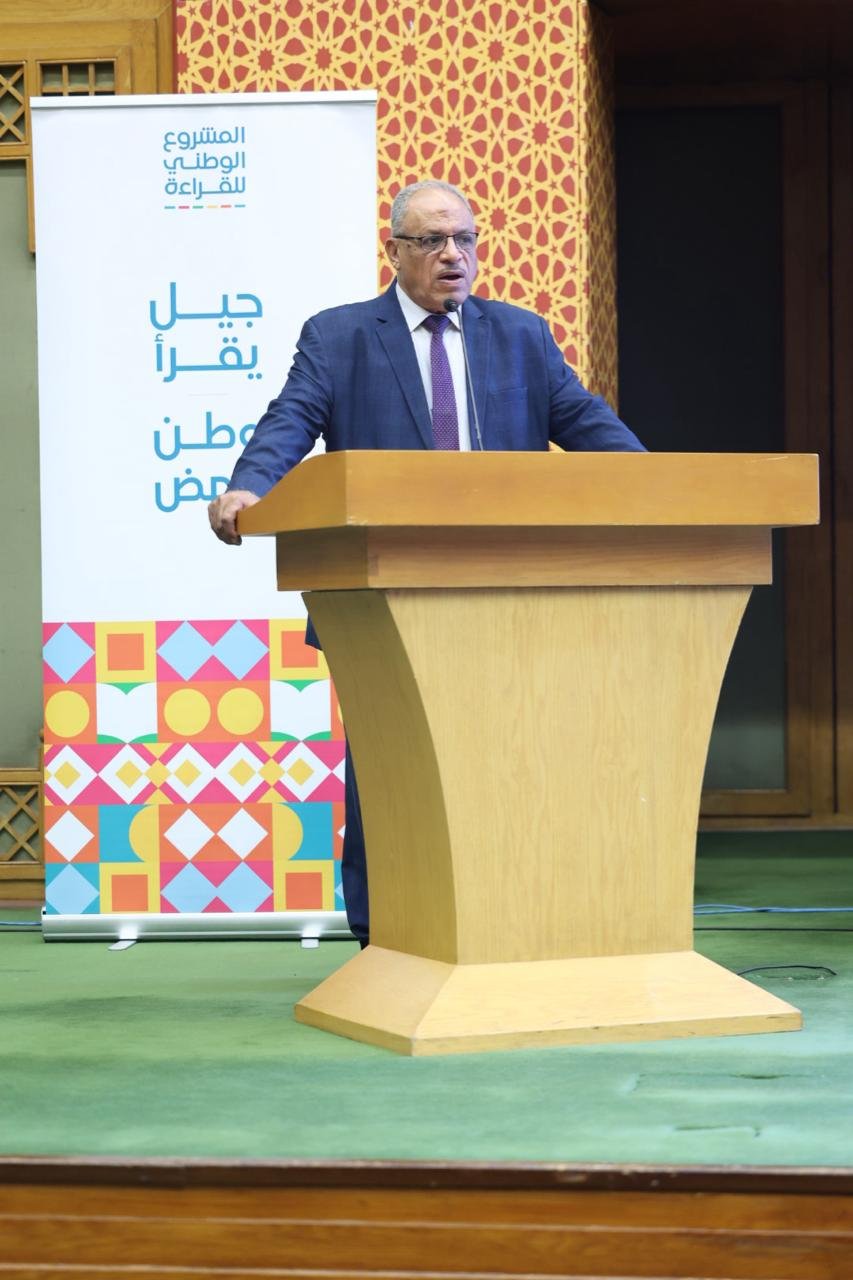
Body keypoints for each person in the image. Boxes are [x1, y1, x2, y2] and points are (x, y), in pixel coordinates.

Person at [209, 179, 644, 947]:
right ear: (395, 251)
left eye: (464, 239)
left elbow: (585, 423)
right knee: (390, 759)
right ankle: (382, 932)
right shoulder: (340, 336)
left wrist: (658, 485)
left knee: (511, 754)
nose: (453, 255)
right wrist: (250, 486)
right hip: (382, 595)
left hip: (506, 591)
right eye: (433, 241)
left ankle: (509, 917)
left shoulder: (520, 335)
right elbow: (291, 419)